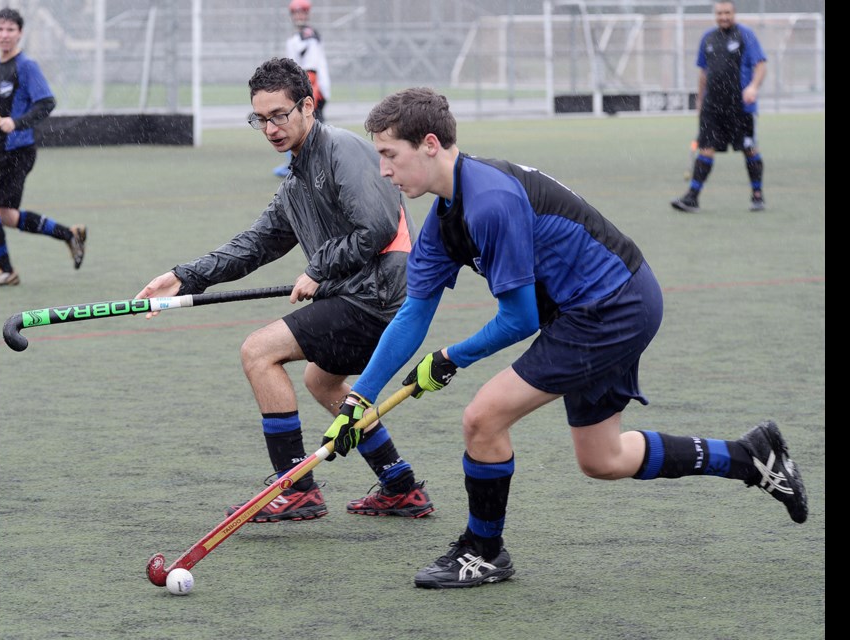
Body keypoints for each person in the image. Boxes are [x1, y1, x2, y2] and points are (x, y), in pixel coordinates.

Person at [320, 86, 807, 589]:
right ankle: (750, 457)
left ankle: (484, 551)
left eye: (388, 155)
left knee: (483, 418)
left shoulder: (489, 201)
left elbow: (519, 319)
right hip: (593, 307)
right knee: (603, 459)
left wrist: (448, 358)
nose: (383, 171)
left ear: (428, 144)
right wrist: (359, 399)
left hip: (612, 306)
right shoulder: (444, 220)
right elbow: (413, 315)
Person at [135, 58, 433, 524]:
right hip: (354, 296)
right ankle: (400, 486)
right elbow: (256, 244)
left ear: (307, 107)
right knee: (322, 381)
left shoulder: (341, 150)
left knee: (258, 352)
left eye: (279, 115)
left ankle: (295, 489)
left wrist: (320, 267)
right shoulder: (296, 176)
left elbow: (375, 226)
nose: (271, 128)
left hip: (379, 299)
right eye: (261, 118)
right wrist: (186, 276)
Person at [0, 7, 87, 286]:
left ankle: (5, 271)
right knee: (8, 217)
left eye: (10, 29)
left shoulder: (26, 66)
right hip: (1, 152)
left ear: (20, 33)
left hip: (19, 150)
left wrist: (17, 123)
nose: (4, 35)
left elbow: (47, 102)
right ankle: (69, 234)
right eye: (0, 29)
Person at [671, 1, 767, 214]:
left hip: (740, 106)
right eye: (720, 13)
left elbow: (760, 65)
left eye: (727, 13)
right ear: (715, 14)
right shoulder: (708, 38)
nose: (724, 17)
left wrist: (753, 87)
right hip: (712, 106)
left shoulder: (746, 35)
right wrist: (699, 99)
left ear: (734, 13)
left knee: (749, 149)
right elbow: (704, 72)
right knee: (706, 148)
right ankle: (692, 198)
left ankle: (757, 195)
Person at [274, 0, 331, 178]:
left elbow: (311, 69)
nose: (299, 16)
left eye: (302, 12)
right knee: (299, 127)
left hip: (313, 91)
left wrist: (307, 95)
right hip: (304, 89)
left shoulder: (309, 37)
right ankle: (296, 163)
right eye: (296, 13)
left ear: (307, 14)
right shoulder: (297, 37)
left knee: (311, 129)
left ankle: (318, 167)